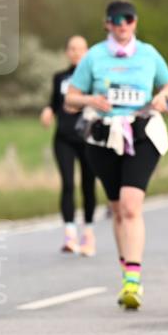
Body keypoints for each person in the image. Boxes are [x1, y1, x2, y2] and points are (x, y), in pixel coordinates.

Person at [65, 0, 168, 310]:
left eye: (128, 19)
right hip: (103, 137)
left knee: (130, 205)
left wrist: (163, 97)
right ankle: (127, 272)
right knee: (117, 208)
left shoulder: (149, 53)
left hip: (142, 132)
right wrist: (90, 99)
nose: (122, 24)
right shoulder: (94, 56)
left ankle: (133, 280)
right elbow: (70, 98)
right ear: (107, 24)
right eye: (116, 20)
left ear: (135, 23)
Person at [39, 35, 97, 254]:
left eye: (80, 49)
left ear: (87, 52)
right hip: (64, 138)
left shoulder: (94, 77)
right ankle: (70, 233)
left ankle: (88, 232)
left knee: (88, 185)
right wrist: (48, 110)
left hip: (88, 137)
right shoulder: (60, 77)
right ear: (67, 52)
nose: (76, 53)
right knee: (68, 184)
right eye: (72, 49)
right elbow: (54, 102)